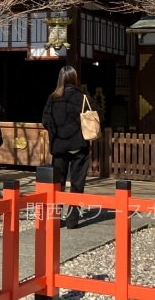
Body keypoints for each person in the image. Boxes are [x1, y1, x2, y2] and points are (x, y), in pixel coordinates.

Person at [41, 66, 103, 229]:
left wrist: (57, 132)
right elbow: (100, 115)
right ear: (75, 79)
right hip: (79, 146)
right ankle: (72, 219)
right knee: (77, 183)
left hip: (59, 147)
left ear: (60, 79)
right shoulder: (83, 98)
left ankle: (55, 218)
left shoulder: (53, 99)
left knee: (58, 184)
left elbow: (45, 121)